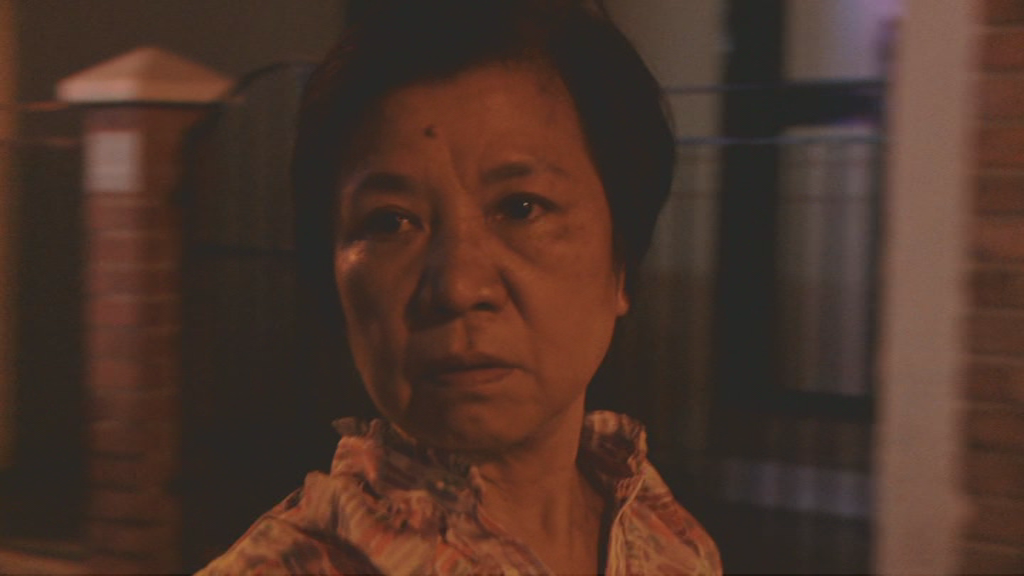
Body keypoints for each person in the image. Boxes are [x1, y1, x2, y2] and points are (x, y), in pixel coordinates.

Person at [198, 1, 721, 573]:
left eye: (521, 208)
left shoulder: (670, 543)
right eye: (390, 221)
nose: (457, 286)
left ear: (620, 262)